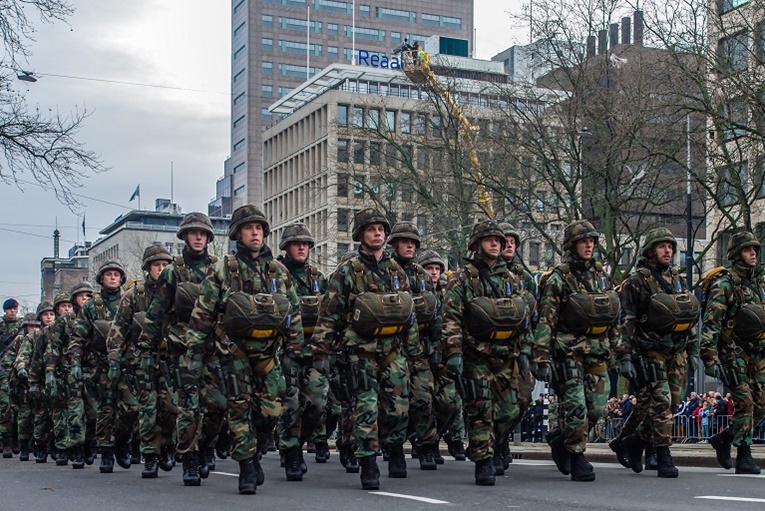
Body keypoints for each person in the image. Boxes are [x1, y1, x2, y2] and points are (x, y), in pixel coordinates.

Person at [184, 205, 305, 495]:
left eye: (260, 228)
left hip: (267, 354)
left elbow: (294, 313)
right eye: (249, 228)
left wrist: (295, 350)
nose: (255, 233)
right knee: (238, 409)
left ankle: (258, 447)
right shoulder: (223, 269)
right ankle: (246, 467)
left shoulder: (278, 271)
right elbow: (203, 314)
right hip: (233, 352)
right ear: (239, 233)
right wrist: (195, 355)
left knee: (271, 412)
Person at [311, 208, 418, 490]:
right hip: (360, 352)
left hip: (393, 352)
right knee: (366, 408)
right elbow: (329, 315)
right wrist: (322, 353)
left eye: (381, 229)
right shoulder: (346, 272)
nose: (378, 233)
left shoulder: (397, 272)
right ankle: (368, 462)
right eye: (371, 229)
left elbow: (409, 315)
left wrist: (414, 351)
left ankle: (394, 446)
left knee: (398, 411)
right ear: (360, 235)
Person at [138, 212, 224, 486]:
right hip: (183, 349)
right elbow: (156, 313)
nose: (198, 237)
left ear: (209, 237)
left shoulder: (220, 269)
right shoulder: (173, 272)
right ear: (185, 236)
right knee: (188, 407)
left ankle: (207, 447)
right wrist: (147, 351)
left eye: (203, 233)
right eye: (193, 233)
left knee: (217, 406)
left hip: (213, 348)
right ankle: (188, 459)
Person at [442, 220, 531, 485]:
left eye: (498, 240)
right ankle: (483, 460)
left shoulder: (512, 279)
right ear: (477, 243)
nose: (495, 244)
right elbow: (451, 318)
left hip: (507, 355)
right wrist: (454, 352)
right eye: (489, 239)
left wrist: (526, 348)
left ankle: (494, 442)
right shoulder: (462, 279)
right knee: (481, 409)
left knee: (509, 410)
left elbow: (523, 318)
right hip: (475, 354)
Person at [535, 220, 622, 482]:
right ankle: (576, 455)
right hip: (568, 352)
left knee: (596, 409)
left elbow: (612, 315)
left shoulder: (601, 276)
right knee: (576, 407)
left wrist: (617, 347)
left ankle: (561, 439)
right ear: (572, 245)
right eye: (584, 241)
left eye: (592, 241)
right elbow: (546, 320)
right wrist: (541, 355)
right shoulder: (558, 279)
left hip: (598, 352)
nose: (589, 245)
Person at [702, 230, 765, 474]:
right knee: (745, 402)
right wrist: (709, 357)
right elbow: (711, 322)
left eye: (755, 250)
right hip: (733, 352)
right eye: (749, 249)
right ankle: (744, 455)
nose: (753, 254)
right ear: (736, 254)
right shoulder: (725, 283)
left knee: (761, 404)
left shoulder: (758, 283)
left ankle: (725, 438)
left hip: (757, 353)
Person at [106, 245, 172, 478]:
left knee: (170, 407)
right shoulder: (135, 295)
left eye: (165, 265)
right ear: (148, 268)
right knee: (146, 408)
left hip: (169, 358)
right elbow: (118, 329)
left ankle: (165, 445)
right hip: (141, 360)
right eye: (157, 265)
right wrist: (115, 358)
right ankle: (150, 456)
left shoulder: (176, 292)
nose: (161, 269)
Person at [275, 222, 329, 479]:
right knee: (290, 404)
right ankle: (291, 451)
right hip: (285, 350)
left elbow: (331, 313)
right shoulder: (274, 275)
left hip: (315, 350)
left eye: (306, 244)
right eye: (297, 244)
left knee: (317, 405)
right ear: (286, 247)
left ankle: (298, 441)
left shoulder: (318, 278)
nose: (302, 248)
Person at [387, 221, 443, 470]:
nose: (409, 246)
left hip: (419, 348)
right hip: (391, 346)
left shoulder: (422, 275)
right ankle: (395, 447)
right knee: (395, 404)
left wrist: (438, 343)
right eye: (405, 241)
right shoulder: (385, 270)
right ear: (395, 244)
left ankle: (423, 443)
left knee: (424, 399)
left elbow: (434, 313)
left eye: (413, 242)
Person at [68, 259, 126, 473]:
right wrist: (75, 360)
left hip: (127, 364)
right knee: (104, 410)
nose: (112, 277)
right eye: (108, 274)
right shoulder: (92, 306)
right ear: (101, 278)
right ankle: (107, 452)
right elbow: (78, 337)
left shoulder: (129, 301)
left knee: (131, 409)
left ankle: (122, 443)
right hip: (99, 366)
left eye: (116, 274)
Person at [418, 248, 464, 462]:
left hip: (443, 356)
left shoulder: (448, 296)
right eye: (429, 268)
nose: (434, 273)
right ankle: (427, 445)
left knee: (449, 402)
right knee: (424, 400)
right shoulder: (416, 294)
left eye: (437, 268)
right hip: (421, 356)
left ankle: (436, 436)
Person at [45, 281, 95, 468]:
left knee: (94, 413)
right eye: (81, 296)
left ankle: (90, 443)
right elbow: (54, 348)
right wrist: (50, 372)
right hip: (71, 373)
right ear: (74, 299)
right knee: (75, 413)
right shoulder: (64, 322)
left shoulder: (97, 316)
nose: (85, 299)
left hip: (94, 371)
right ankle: (77, 449)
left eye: (88, 296)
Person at [14, 301, 57, 462]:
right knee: (35, 415)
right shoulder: (33, 336)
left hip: (56, 379)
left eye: (51, 314)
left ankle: (56, 446)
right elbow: (23, 356)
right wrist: (21, 369)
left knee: (57, 415)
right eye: (46, 314)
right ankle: (34, 446)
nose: (49, 317)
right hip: (36, 379)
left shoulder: (60, 332)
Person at [0, 313, 39, 458]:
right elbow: (7, 362)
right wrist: (6, 381)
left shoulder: (44, 338)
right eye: (31, 326)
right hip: (17, 382)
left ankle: (33, 443)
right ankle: (7, 442)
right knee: (8, 410)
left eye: (36, 326)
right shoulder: (20, 340)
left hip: (36, 381)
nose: (34, 329)